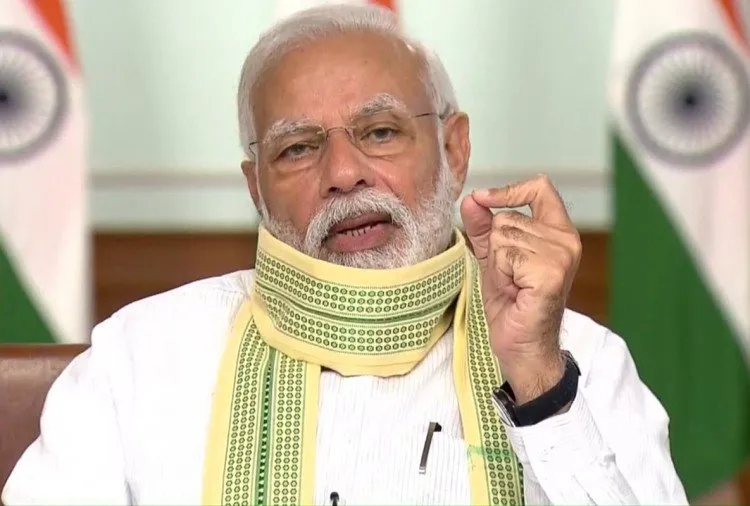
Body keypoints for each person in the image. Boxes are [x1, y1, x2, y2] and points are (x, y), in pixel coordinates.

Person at [3, 4, 688, 505]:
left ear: (454, 151)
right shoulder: (140, 357)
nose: (344, 173)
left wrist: (538, 382)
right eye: (298, 147)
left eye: (380, 132)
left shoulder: (577, 360)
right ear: (256, 187)